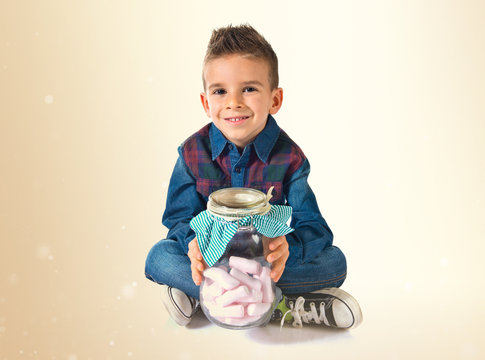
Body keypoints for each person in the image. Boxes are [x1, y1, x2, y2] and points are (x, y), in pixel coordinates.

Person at [145, 24, 362, 329]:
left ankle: (215, 298)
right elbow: (178, 219)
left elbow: (314, 227)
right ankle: (274, 304)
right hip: (212, 259)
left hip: (264, 264)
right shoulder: (193, 152)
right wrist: (193, 245)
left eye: (248, 88)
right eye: (220, 91)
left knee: (335, 262)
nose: (234, 102)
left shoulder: (289, 157)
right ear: (207, 103)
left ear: (275, 99)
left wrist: (286, 249)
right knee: (159, 256)